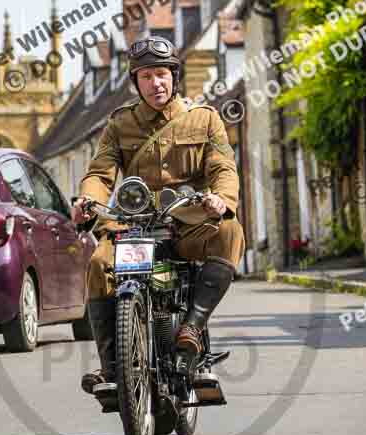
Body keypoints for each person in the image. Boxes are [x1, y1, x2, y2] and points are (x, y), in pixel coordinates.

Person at [72, 37, 244, 395]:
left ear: (174, 77)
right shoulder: (120, 124)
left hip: (186, 225)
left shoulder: (205, 119)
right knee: (99, 264)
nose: (156, 83)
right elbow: (101, 173)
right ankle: (112, 368)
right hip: (135, 227)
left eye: (162, 74)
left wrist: (220, 200)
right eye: (147, 76)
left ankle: (192, 329)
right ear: (137, 82)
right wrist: (87, 200)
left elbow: (223, 168)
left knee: (229, 231)